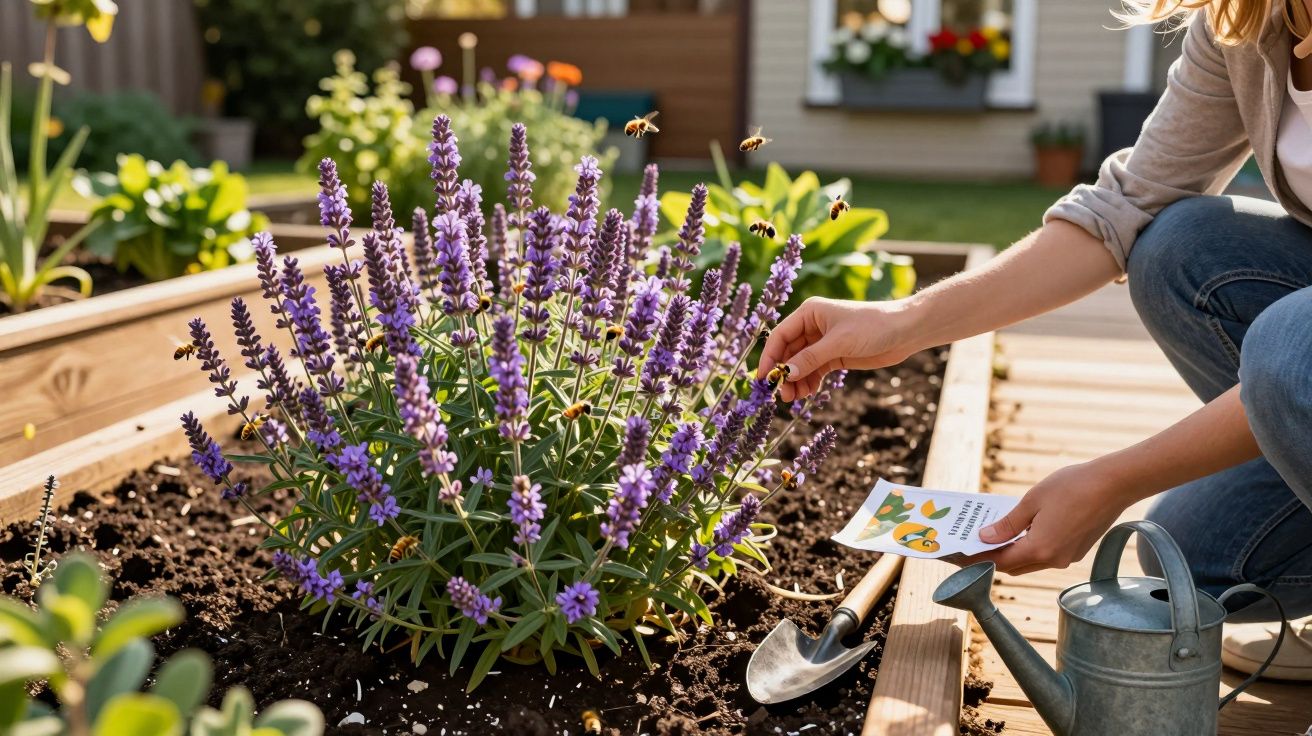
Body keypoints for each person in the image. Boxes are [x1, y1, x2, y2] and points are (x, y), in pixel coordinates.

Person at [758, 0, 1312, 682]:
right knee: (1203, 551)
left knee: (1286, 338)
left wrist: (1114, 479)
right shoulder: (1248, 23)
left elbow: (1294, 353)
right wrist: (904, 321)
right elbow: (1126, 206)